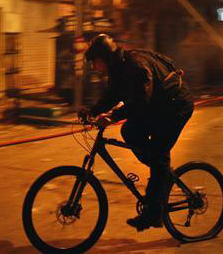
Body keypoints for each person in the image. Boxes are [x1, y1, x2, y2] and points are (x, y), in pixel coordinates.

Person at [79, 34, 194, 231]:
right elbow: (112, 95)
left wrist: (113, 116)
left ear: (104, 58)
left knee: (158, 153)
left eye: (95, 63)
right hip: (160, 106)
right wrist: (92, 111)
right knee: (130, 131)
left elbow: (141, 101)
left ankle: (153, 213)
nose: (93, 68)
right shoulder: (118, 70)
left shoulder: (135, 66)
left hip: (176, 107)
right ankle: (162, 174)